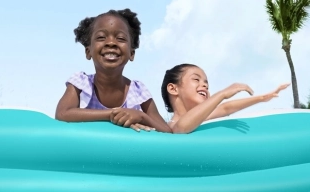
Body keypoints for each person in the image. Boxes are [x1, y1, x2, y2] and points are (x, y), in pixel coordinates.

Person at [55, 9, 171, 133]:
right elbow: (62, 114)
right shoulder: (81, 83)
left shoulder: (138, 91)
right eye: (101, 37)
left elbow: (166, 131)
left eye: (120, 39)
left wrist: (141, 116)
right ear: (88, 52)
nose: (111, 43)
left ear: (131, 54)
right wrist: (112, 114)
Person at [161, 64, 290, 134]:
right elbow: (181, 128)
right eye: (196, 79)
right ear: (173, 89)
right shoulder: (169, 127)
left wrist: (262, 98)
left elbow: (225, 107)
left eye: (207, 83)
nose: (205, 85)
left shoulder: (203, 119)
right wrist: (222, 94)